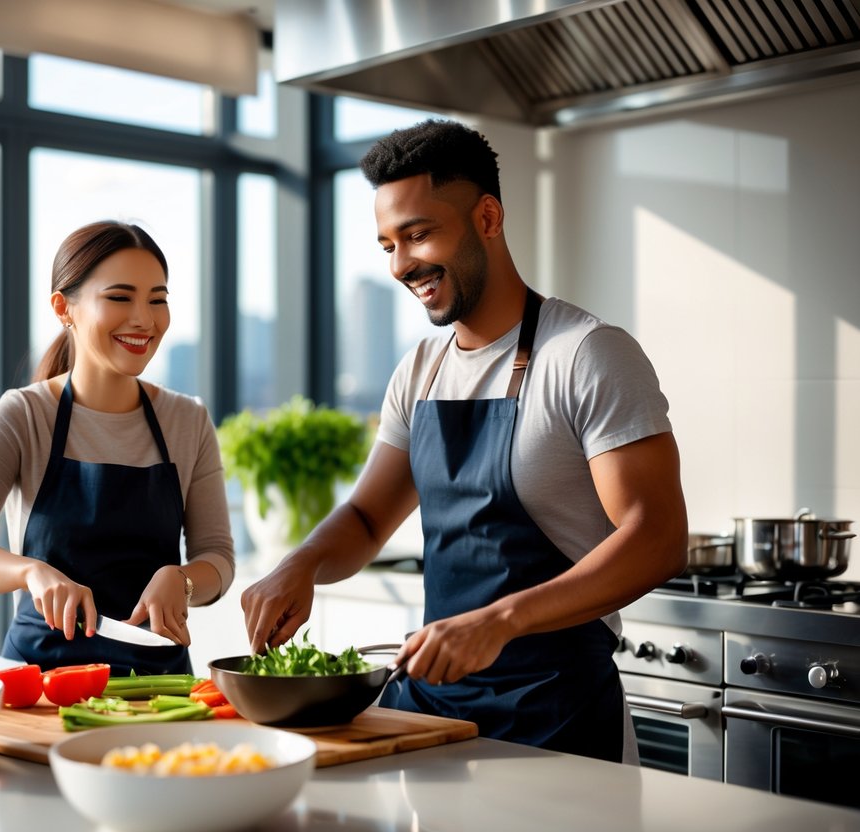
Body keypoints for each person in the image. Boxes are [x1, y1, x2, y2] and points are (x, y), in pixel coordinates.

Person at [241, 120, 688, 763]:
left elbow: (657, 536)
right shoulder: (420, 369)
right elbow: (369, 517)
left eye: (419, 235)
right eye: (388, 244)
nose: (401, 265)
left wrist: (501, 620)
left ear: (487, 216)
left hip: (556, 718)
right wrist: (301, 564)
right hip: (432, 713)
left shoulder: (586, 354)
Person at [0, 220, 235, 676]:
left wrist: (183, 579)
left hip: (158, 688)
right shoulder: (24, 416)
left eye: (157, 299)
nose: (144, 319)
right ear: (63, 307)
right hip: (40, 683)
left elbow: (219, 558)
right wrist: (30, 572)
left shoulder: (187, 420)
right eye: (119, 297)